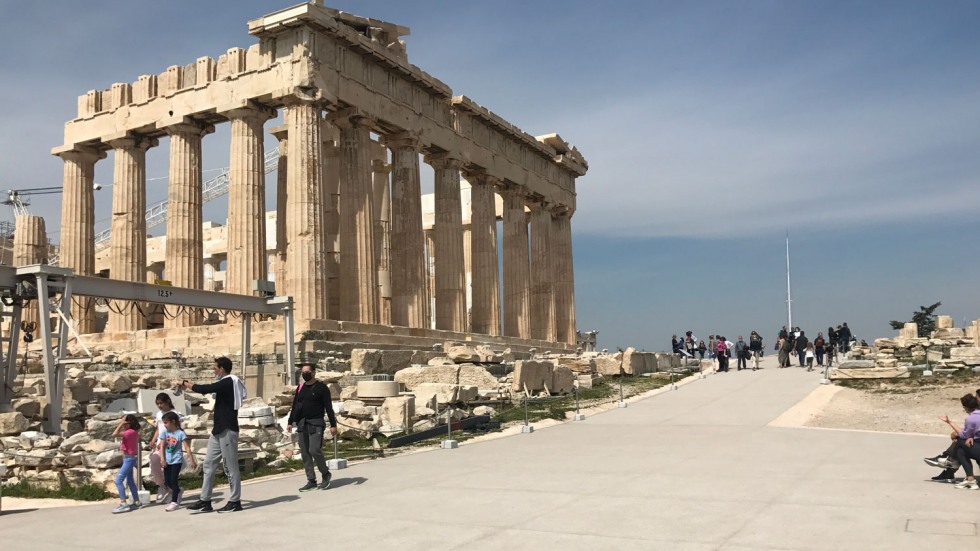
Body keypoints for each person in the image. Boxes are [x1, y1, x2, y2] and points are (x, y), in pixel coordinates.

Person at [177, 356, 247, 513]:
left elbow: (204, 389)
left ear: (221, 369)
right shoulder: (226, 383)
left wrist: (185, 383)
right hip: (218, 430)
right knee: (208, 464)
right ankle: (205, 500)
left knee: (230, 467)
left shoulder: (228, 382)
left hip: (228, 429)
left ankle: (235, 501)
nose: (213, 370)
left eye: (215, 367)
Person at [288, 362, 339, 492]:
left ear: (314, 372)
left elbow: (329, 407)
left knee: (314, 449)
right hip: (302, 423)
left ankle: (325, 473)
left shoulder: (322, 388)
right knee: (305, 453)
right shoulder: (300, 388)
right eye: (303, 373)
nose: (305, 374)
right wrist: (290, 421)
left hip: (316, 423)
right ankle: (311, 480)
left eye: (307, 372)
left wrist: (333, 425)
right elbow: (295, 406)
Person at [157, 411, 197, 511]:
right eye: (163, 423)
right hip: (167, 461)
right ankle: (178, 491)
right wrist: (162, 459)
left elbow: (187, 447)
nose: (164, 425)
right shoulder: (164, 433)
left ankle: (174, 502)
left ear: (173, 421)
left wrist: (192, 460)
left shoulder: (180, 433)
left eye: (166, 422)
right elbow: (162, 446)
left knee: (173, 480)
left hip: (177, 460)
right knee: (167, 481)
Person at [940, 394, 980, 489]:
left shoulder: (971, 418)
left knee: (961, 442)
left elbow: (963, 435)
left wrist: (950, 423)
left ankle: (951, 460)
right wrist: (971, 437)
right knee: (961, 450)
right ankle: (970, 479)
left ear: (965, 407)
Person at [149, 392, 178, 504]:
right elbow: (158, 428)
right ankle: (162, 485)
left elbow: (175, 430)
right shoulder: (158, 414)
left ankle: (172, 491)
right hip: (159, 444)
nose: (159, 406)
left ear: (167, 402)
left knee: (168, 468)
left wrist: (166, 442)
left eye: (161, 403)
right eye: (157, 404)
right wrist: (153, 440)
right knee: (154, 460)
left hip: (170, 445)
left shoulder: (174, 414)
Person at [111, 414, 143, 514]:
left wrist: (120, 424)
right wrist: (123, 423)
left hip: (128, 459)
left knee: (118, 481)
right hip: (129, 458)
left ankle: (123, 503)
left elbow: (114, 434)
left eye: (124, 423)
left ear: (129, 424)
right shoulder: (134, 432)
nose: (123, 424)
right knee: (130, 481)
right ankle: (137, 501)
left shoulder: (129, 432)